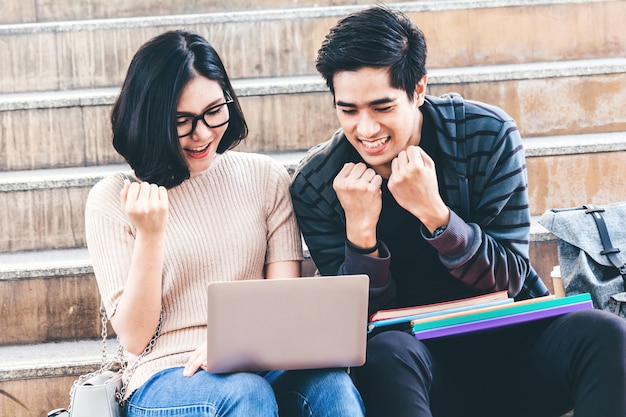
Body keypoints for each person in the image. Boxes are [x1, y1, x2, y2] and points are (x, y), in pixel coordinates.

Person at [290, 6, 626, 417]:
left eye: (382, 107)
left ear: (418, 90)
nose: (366, 129)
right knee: (386, 353)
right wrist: (362, 237)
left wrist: (437, 216)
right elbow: (353, 325)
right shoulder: (318, 183)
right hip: (414, 370)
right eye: (348, 110)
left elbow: (511, 276)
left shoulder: (485, 134)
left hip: (516, 347)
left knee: (606, 331)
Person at [85, 29, 365, 417]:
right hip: (165, 375)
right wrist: (151, 234)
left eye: (214, 111)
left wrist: (236, 350)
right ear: (150, 119)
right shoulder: (115, 198)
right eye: (182, 120)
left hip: (260, 359)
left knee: (332, 385)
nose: (203, 134)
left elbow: (282, 302)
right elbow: (134, 337)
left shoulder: (264, 178)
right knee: (246, 394)